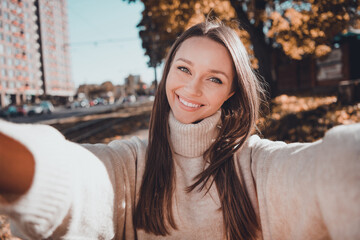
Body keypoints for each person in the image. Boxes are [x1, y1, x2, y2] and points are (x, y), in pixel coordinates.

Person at [0, 21, 359, 240]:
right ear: (167, 70)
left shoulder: (255, 163)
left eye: (214, 78)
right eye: (184, 69)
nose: (192, 89)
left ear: (231, 92)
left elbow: (326, 169)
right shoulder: (133, 162)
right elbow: (77, 176)